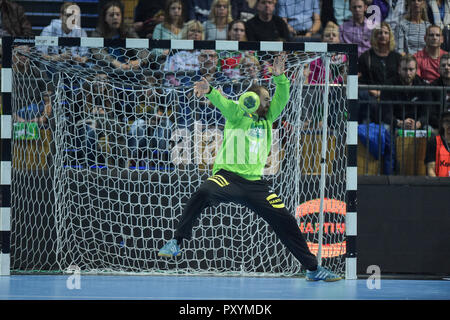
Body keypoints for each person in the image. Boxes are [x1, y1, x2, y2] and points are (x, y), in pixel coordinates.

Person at [158, 53, 342, 282]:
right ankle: (176, 241)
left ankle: (313, 269)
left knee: (286, 220)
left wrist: (279, 77)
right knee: (204, 191)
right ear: (251, 100)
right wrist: (210, 90)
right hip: (228, 178)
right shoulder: (237, 115)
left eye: (267, 99)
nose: (267, 101)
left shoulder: (268, 119)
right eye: (263, 98)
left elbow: (282, 98)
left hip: (256, 184)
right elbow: (222, 102)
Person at [358, 22, 402, 123]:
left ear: (390, 36)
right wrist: (373, 91)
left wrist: (386, 93)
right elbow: (360, 81)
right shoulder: (366, 57)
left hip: (393, 96)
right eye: (380, 33)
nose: (383, 35)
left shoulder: (397, 57)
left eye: (386, 33)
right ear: (375, 36)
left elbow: (400, 79)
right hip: (372, 96)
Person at [380, 54, 433, 130]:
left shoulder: (424, 86)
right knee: (385, 128)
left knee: (430, 130)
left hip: (417, 124)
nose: (408, 73)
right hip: (396, 123)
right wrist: (399, 123)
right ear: (399, 70)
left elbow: (427, 112)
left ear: (416, 70)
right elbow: (386, 113)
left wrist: (419, 123)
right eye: (405, 69)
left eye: (411, 69)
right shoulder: (389, 85)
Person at [91, 0, 146, 70]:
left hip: (128, 69)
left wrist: (138, 61)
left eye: (118, 14)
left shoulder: (128, 31)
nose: (115, 17)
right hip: (106, 69)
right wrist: (115, 63)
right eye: (111, 15)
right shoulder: (98, 32)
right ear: (105, 18)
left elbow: (142, 49)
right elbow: (97, 51)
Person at [424, 111, 450, 176]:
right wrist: (437, 185)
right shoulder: (434, 142)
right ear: (442, 124)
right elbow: (431, 170)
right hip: (439, 184)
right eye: (447, 121)